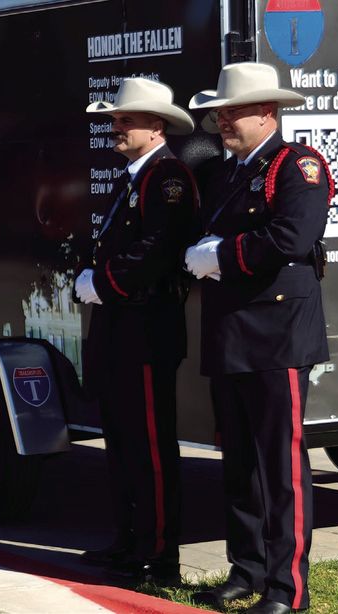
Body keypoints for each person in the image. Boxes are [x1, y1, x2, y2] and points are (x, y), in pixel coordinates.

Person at [185, 62, 332, 614]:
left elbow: (293, 236)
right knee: (240, 465)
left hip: (277, 336)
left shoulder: (297, 166)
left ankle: (287, 589)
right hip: (231, 334)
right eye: (219, 112)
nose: (222, 119)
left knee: (282, 468)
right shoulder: (228, 174)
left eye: (232, 110)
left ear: (267, 112)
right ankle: (245, 571)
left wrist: (222, 254)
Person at [74, 77, 198, 584]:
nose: (115, 128)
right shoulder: (134, 176)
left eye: (125, 120)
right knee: (122, 444)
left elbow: (158, 250)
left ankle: (160, 554)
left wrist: (102, 283)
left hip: (147, 331)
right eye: (114, 120)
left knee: (150, 447)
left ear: (156, 125)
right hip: (121, 331)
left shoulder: (166, 177)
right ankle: (129, 540)